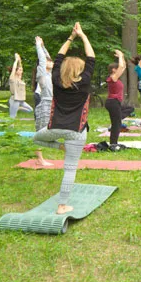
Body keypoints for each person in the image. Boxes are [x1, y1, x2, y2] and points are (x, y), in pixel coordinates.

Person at [33, 22, 95, 214]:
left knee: (36, 138)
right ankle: (62, 206)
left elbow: (59, 57)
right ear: (80, 70)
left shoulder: (56, 81)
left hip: (55, 128)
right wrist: (82, 35)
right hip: (77, 133)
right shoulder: (83, 83)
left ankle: (59, 146)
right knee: (70, 169)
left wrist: (70, 37)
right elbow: (91, 57)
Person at [28, 36, 55, 167]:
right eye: (48, 61)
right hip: (43, 103)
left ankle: (41, 157)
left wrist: (43, 46)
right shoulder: (42, 74)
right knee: (40, 132)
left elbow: (47, 57)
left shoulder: (50, 74)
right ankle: (40, 159)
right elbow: (43, 60)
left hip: (52, 104)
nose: (51, 62)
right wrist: (38, 46)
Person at [105, 49, 127, 148]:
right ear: (114, 70)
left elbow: (123, 66)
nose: (119, 69)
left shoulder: (115, 77)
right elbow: (121, 66)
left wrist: (121, 57)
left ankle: (113, 142)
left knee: (117, 122)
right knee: (116, 123)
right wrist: (121, 55)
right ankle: (113, 143)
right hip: (112, 102)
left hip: (115, 102)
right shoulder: (112, 77)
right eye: (117, 68)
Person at [8, 53, 34, 119]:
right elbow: (14, 68)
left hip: (21, 100)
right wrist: (16, 60)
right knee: (12, 117)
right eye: (20, 70)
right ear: (16, 71)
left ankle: (18, 108)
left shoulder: (19, 78)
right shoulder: (12, 78)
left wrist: (20, 61)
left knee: (30, 109)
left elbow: (20, 66)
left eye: (21, 70)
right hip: (15, 99)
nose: (21, 71)